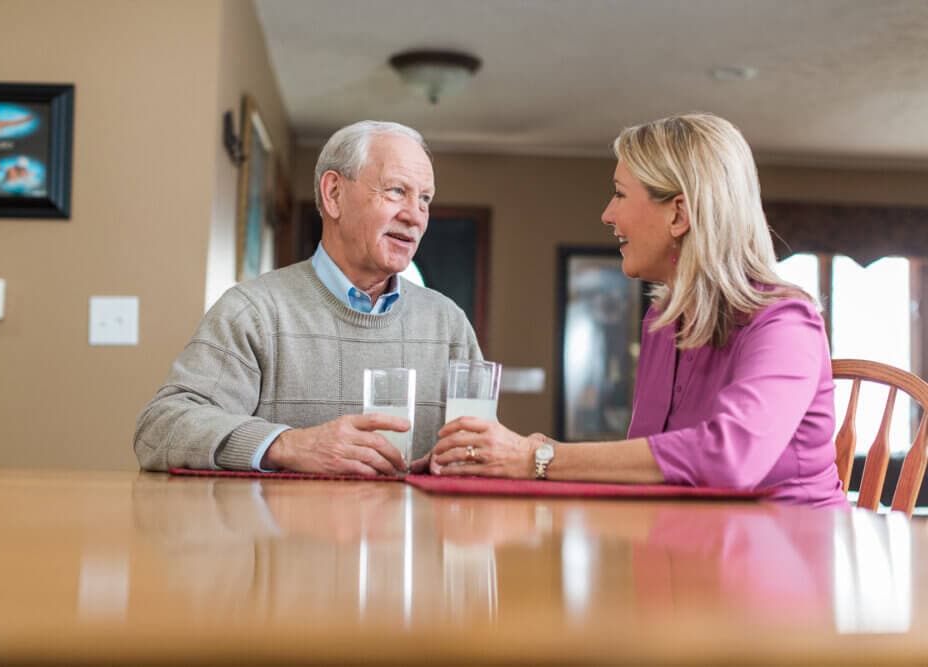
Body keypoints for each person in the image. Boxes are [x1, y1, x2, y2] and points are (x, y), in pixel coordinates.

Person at [432, 112, 847, 508]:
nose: (607, 214)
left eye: (619, 193)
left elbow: (728, 460)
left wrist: (538, 459)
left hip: (789, 562)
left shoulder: (784, 323)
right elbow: (651, 464)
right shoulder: (662, 324)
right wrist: (534, 454)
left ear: (679, 214)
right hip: (693, 554)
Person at [135, 120, 481, 475]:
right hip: (282, 532)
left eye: (425, 198)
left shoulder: (448, 324)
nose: (415, 216)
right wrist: (287, 445)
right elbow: (160, 429)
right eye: (396, 191)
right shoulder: (252, 312)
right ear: (333, 194)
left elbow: (478, 454)